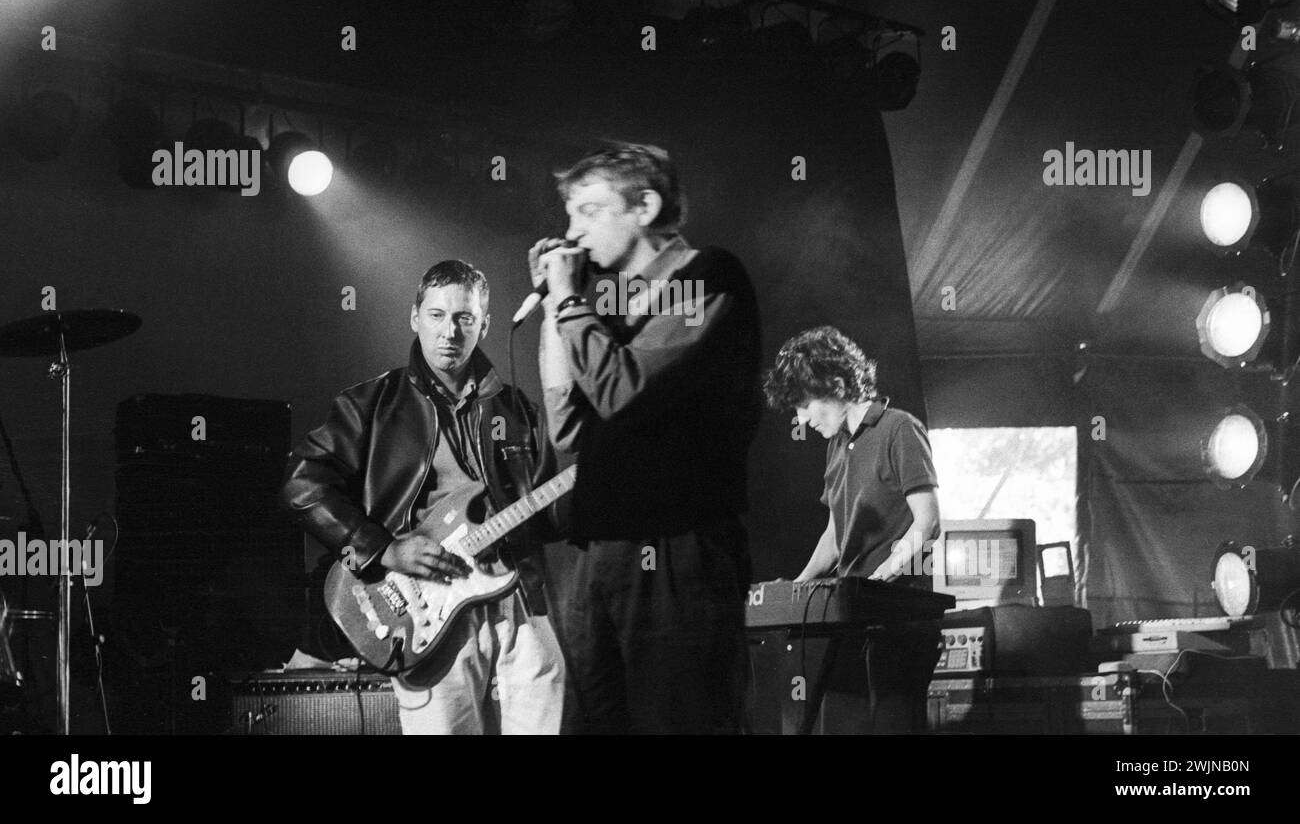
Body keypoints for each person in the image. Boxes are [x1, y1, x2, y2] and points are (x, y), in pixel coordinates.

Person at [531, 142, 762, 734]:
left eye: (588, 210)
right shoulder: (605, 308)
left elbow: (624, 389)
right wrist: (560, 311)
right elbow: (567, 427)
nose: (571, 232)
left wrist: (566, 301)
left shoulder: (708, 276)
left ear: (645, 206)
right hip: (596, 555)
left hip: (677, 551)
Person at [280, 260, 565, 734]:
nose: (450, 331)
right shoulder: (370, 405)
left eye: (464, 319)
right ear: (415, 317)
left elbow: (554, 516)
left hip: (517, 601)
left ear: (484, 325)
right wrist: (383, 549)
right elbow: (300, 486)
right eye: (436, 315)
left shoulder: (518, 412)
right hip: (424, 610)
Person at [763, 325, 942, 733]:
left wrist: (889, 572)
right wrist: (799, 584)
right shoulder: (836, 446)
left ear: (839, 385)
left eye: (805, 404)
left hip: (901, 618)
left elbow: (927, 519)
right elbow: (834, 533)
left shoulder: (899, 428)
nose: (801, 418)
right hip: (851, 615)